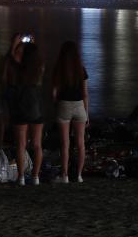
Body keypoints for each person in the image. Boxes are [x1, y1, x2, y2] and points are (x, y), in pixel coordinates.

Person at [7, 40, 44, 185]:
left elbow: (11, 58)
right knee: (37, 144)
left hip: (20, 106)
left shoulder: (19, 69)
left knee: (21, 145)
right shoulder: (40, 69)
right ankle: (35, 176)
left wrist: (15, 43)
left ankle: (21, 177)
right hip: (36, 107)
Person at [52, 41, 89, 183]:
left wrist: (56, 105)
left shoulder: (58, 69)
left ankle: (64, 175)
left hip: (64, 106)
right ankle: (79, 175)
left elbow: (53, 94)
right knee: (81, 143)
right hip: (79, 106)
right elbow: (85, 93)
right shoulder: (81, 70)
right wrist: (87, 113)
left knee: (65, 144)